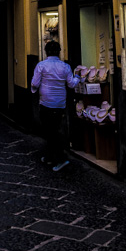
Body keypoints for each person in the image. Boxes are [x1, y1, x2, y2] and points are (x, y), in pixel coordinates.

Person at [31, 40, 80, 171]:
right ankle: (50, 156)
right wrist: (78, 78)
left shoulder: (41, 66)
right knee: (54, 129)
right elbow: (71, 84)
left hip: (45, 102)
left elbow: (35, 84)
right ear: (59, 52)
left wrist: (35, 90)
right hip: (59, 103)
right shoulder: (65, 67)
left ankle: (60, 158)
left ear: (46, 52)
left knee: (49, 131)